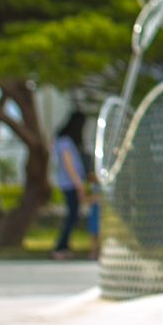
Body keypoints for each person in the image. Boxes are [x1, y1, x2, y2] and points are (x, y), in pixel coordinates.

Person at [51, 109, 91, 259]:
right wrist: (78, 184)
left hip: (70, 183)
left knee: (73, 216)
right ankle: (60, 247)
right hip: (69, 183)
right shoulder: (65, 141)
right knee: (72, 216)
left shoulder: (64, 140)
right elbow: (68, 165)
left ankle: (64, 246)